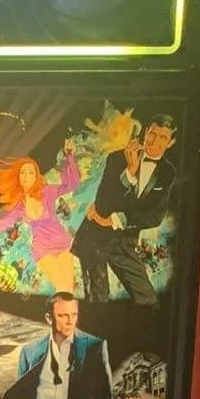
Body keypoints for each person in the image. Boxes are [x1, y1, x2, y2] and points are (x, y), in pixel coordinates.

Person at [72, 115, 179, 305]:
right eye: (152, 134)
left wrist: (118, 219)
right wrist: (129, 172)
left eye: (163, 138)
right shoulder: (116, 158)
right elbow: (103, 206)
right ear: (145, 132)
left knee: (148, 300)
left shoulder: (168, 173)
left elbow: (155, 216)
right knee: (98, 301)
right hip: (94, 238)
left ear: (171, 143)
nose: (155, 141)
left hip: (123, 242)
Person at [3, 293, 111, 399]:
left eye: (74, 314)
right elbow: (21, 395)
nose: (70, 321)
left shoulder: (94, 346)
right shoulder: (29, 351)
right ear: (49, 318)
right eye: (62, 315)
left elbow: (104, 392)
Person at [0, 143, 80, 295]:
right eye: (23, 173)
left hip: (61, 242)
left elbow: (71, 185)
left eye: (31, 172)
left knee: (69, 290)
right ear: (18, 177)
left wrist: (70, 157)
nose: (26, 176)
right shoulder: (19, 206)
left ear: (36, 175)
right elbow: (0, 225)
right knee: (61, 287)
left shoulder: (47, 192)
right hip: (42, 248)